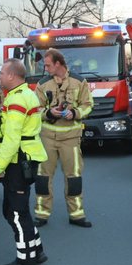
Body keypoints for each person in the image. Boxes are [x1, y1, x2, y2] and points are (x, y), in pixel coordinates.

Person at [0, 59, 48, 265]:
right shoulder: (24, 94)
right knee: (18, 210)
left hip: (18, 161)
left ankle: (25, 261)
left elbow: (12, 139)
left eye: (2, 73)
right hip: (24, 159)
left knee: (15, 212)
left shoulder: (17, 99)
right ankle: (36, 251)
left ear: (12, 76)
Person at [34, 48, 94, 228]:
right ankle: (42, 214)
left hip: (70, 137)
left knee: (73, 177)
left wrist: (75, 113)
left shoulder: (79, 81)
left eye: (48, 65)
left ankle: (76, 214)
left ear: (58, 64)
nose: (46, 68)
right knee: (43, 177)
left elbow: (88, 105)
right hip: (48, 138)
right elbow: (35, 110)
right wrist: (48, 112)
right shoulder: (42, 84)